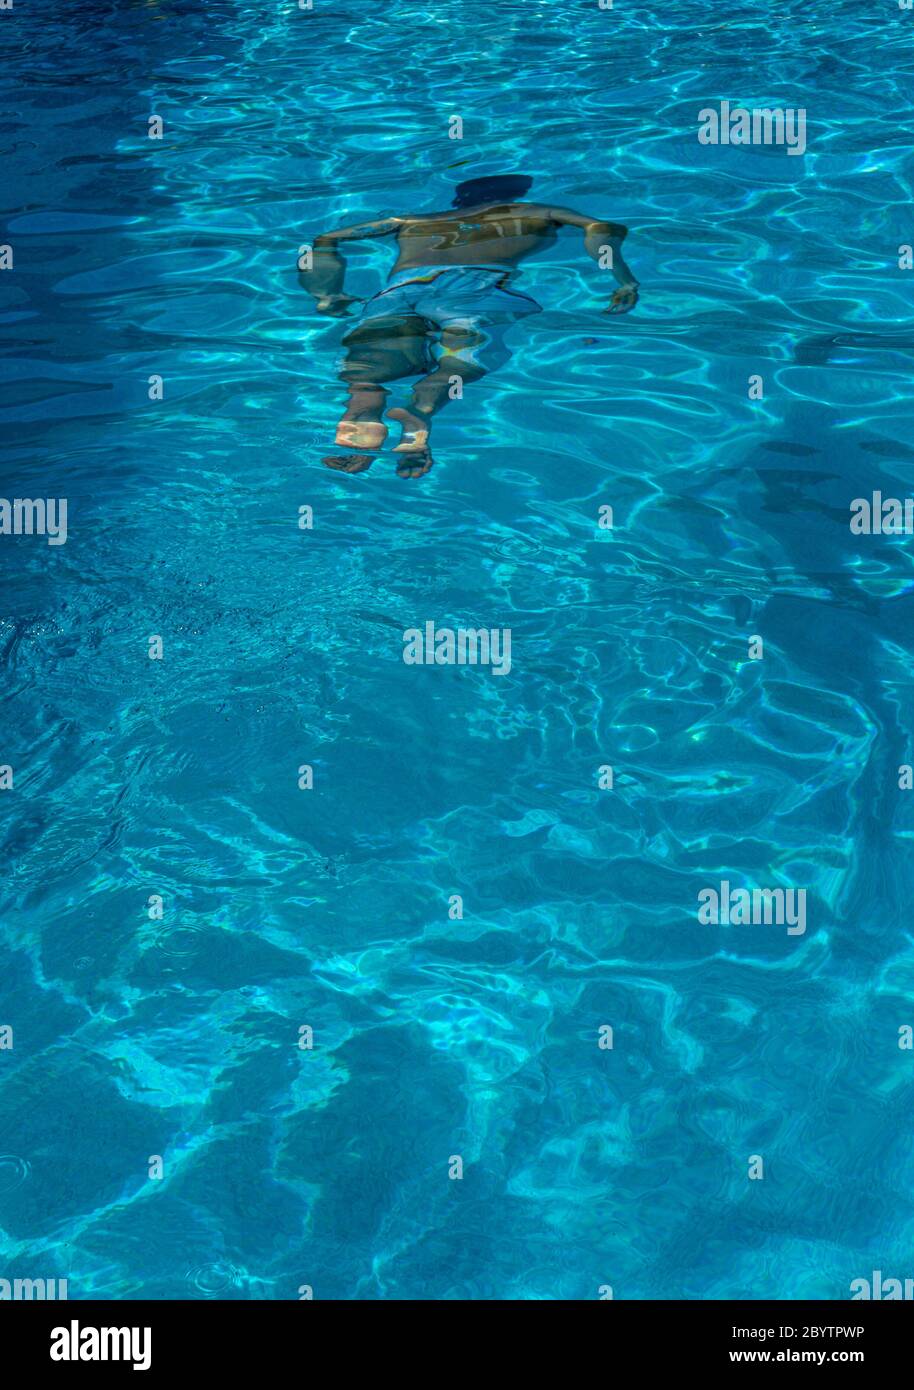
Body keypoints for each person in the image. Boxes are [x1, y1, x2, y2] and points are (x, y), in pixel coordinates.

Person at [300, 174, 639, 477]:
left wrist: (326, 295)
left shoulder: (410, 221)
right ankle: (420, 411)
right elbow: (601, 230)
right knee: (462, 360)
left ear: (458, 199)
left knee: (365, 374)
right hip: (473, 287)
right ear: (519, 195)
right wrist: (623, 280)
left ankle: (362, 419)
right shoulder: (538, 212)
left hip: (401, 289)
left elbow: (326, 239)